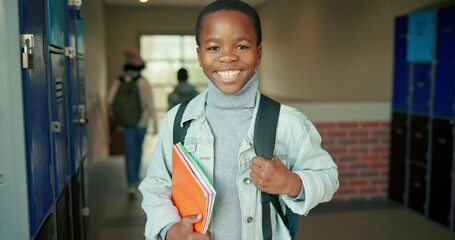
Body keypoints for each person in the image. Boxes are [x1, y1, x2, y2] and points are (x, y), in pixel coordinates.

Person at [139, 1, 339, 239]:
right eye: (213, 48)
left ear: (258, 54)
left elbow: (328, 178)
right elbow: (156, 185)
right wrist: (169, 229)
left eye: (241, 46)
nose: (228, 57)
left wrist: (292, 183)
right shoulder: (178, 121)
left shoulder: (288, 123)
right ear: (199, 55)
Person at [107, 49, 158, 198]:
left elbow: (109, 101)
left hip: (124, 124)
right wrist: (155, 123)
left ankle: (131, 185)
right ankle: (136, 179)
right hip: (141, 122)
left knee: (129, 152)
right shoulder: (143, 82)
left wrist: (116, 117)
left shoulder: (118, 81)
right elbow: (149, 104)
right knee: (138, 151)